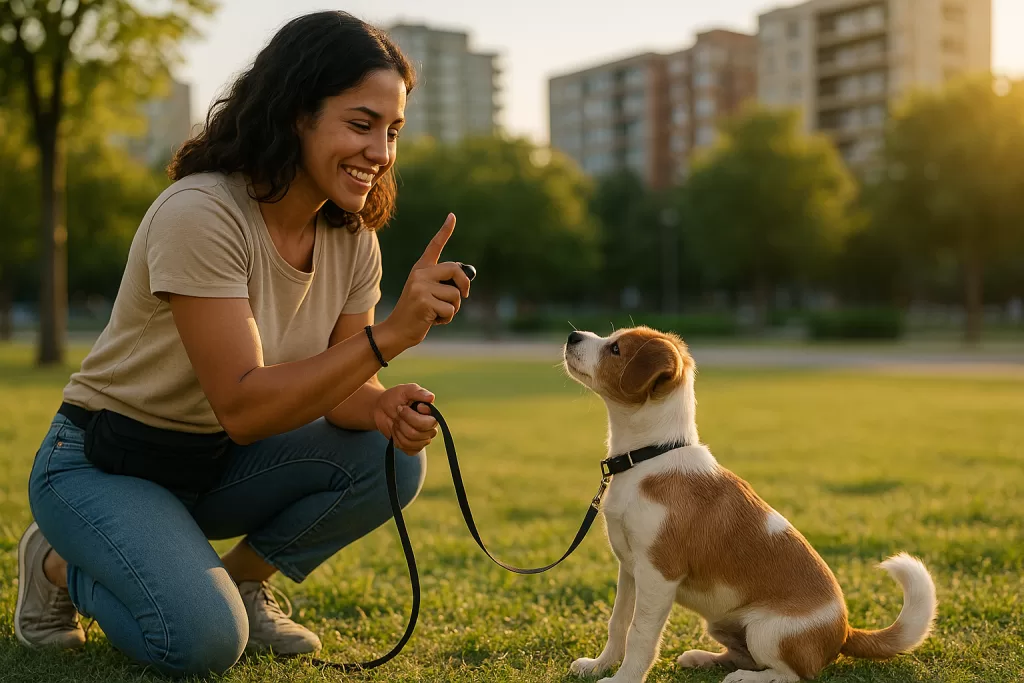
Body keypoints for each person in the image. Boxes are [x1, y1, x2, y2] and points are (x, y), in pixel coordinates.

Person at [14, 11, 471, 677]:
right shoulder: (201, 213)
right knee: (202, 642)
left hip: (217, 464)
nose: (381, 151)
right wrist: (391, 336)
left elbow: (341, 392)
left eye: (393, 130)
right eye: (361, 123)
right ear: (295, 115)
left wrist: (380, 406)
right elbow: (245, 405)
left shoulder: (353, 240)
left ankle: (243, 583)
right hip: (103, 461)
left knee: (391, 457)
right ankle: (56, 561)